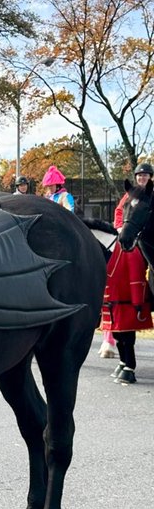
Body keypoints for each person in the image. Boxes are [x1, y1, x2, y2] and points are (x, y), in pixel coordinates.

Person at [101, 163, 154, 385]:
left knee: (133, 261)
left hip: (144, 237)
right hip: (131, 234)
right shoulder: (129, 195)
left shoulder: (151, 194)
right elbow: (121, 213)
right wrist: (121, 227)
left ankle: (140, 300)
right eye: (139, 175)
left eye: (145, 175)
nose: (142, 178)